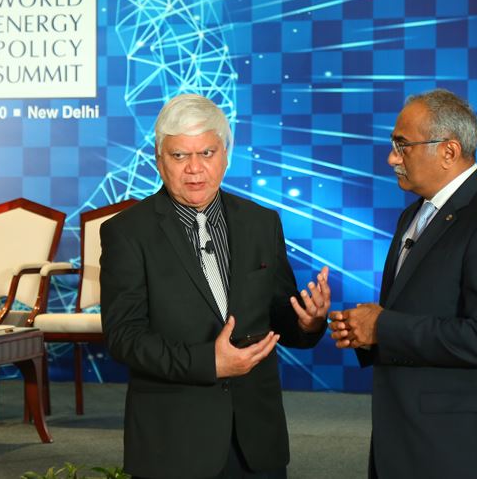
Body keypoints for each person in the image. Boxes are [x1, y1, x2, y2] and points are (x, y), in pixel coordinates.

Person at [100, 93, 331, 479]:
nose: (194, 169)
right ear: (159, 159)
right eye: (179, 156)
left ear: (226, 154)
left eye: (206, 153)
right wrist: (209, 362)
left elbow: (277, 316)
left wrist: (307, 322)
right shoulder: (127, 233)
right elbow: (124, 337)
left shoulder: (261, 223)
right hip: (174, 443)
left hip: (256, 439)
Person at [330, 88, 477, 478]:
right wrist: (365, 333)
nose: (392, 158)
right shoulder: (412, 215)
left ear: (448, 151)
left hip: (459, 445)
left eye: (402, 145)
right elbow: (415, 311)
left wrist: (383, 327)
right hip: (406, 434)